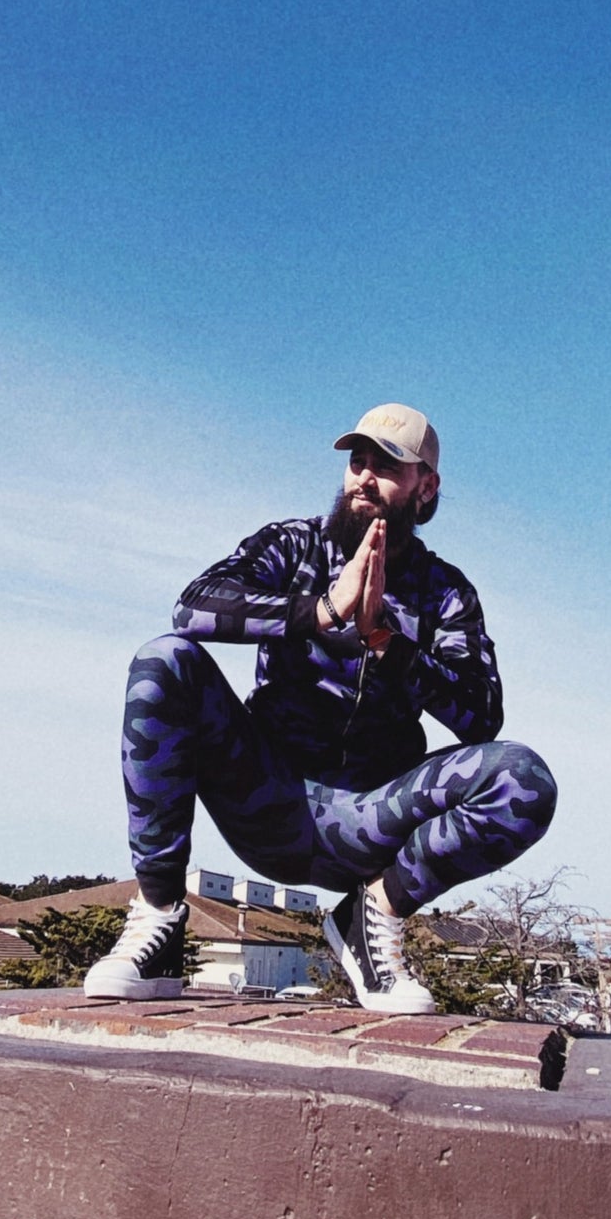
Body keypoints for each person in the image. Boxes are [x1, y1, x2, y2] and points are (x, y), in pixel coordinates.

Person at [85, 403, 557, 1015]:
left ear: (426, 487)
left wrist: (387, 640)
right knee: (162, 661)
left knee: (522, 779)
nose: (365, 477)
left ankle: (372, 916)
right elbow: (193, 607)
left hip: (371, 817)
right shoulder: (292, 545)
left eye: (388, 467)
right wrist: (323, 610)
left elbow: (482, 716)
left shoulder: (446, 593)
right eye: (358, 462)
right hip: (267, 797)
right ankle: (160, 915)